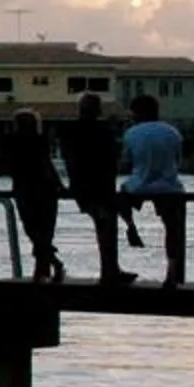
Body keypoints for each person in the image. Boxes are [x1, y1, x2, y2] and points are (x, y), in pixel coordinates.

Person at [0, 109, 67, 285]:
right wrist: (60, 185)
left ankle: (45, 267)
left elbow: (2, 164)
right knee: (40, 231)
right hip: (41, 189)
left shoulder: (17, 141)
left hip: (28, 188)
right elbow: (46, 165)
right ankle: (50, 264)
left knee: (36, 230)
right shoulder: (34, 140)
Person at [120, 92, 188, 288]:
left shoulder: (131, 133)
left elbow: (127, 162)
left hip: (139, 185)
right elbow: (178, 161)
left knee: (119, 197)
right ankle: (172, 270)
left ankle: (130, 226)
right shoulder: (173, 132)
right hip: (169, 186)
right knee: (172, 228)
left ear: (137, 113)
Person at [59, 92, 127, 285]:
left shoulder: (70, 130)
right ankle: (110, 270)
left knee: (103, 226)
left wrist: (75, 184)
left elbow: (69, 160)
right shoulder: (103, 131)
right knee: (107, 228)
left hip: (82, 186)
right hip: (101, 187)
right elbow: (111, 159)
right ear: (97, 109)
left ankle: (110, 269)